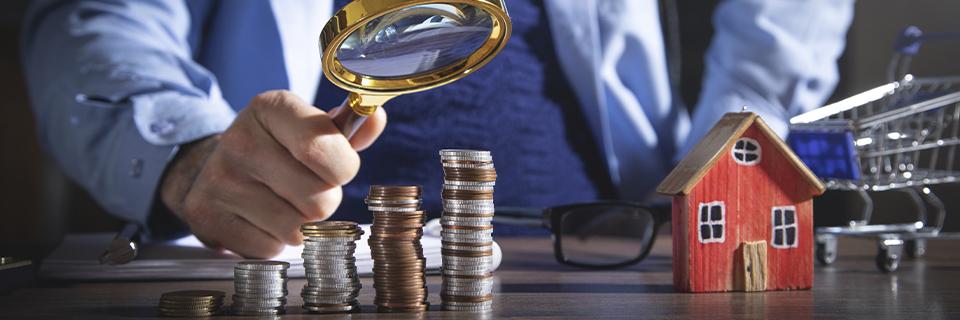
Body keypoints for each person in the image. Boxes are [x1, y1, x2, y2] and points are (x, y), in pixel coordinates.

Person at [21, 0, 853, 258]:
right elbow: (92, 23)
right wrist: (189, 151)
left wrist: (732, 155)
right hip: (295, 252)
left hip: (603, 247)